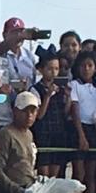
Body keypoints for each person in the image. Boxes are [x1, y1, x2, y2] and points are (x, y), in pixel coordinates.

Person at [0, 91, 85, 193]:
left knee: (77, 187)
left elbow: (26, 166)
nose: (29, 115)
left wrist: (36, 177)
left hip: (34, 185)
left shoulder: (29, 134)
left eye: (33, 111)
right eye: (25, 111)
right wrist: (20, 192)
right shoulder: (5, 134)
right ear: (15, 111)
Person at [69, 51, 96, 193]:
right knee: (78, 173)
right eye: (83, 65)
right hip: (79, 128)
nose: (86, 69)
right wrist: (81, 135)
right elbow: (75, 110)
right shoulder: (75, 85)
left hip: (94, 129)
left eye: (90, 65)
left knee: (91, 174)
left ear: (95, 68)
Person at [30, 52, 69, 180]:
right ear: (41, 69)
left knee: (54, 176)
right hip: (43, 134)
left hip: (58, 133)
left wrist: (68, 98)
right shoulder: (35, 89)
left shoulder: (60, 89)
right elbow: (39, 115)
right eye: (50, 68)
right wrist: (47, 95)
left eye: (56, 69)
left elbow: (65, 113)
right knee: (43, 175)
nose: (53, 72)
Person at [0, 17, 37, 93]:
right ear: (4, 35)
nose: (19, 36)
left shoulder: (29, 56)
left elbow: (33, 80)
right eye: (14, 33)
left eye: (21, 32)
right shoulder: (1, 54)